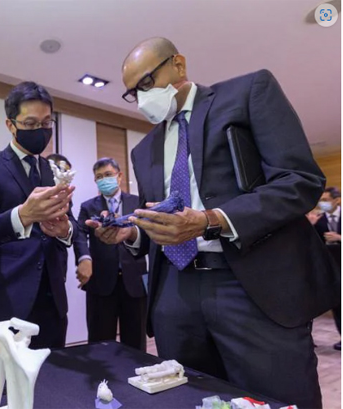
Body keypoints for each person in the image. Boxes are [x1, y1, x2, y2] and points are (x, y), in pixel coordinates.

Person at [87, 37, 338, 408]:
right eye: (132, 93)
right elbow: (160, 216)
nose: (141, 99)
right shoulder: (145, 151)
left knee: (278, 397)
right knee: (192, 397)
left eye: (146, 83)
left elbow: (299, 180)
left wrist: (212, 220)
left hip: (250, 284)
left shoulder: (247, 93)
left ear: (178, 65)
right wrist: (130, 232)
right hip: (176, 292)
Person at [0, 81, 75, 349]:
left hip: (52, 303)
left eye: (47, 122)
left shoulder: (54, 172)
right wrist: (24, 215)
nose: (40, 131)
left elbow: (69, 225)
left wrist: (64, 231)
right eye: (30, 124)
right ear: (10, 125)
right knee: (3, 388)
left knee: (54, 385)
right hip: (5, 302)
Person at [74, 157, 148, 351]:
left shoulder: (138, 203)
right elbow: (79, 235)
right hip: (101, 281)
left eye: (108, 175)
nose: (103, 179)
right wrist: (84, 258)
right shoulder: (88, 207)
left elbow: (148, 235)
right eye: (99, 177)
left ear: (119, 176)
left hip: (135, 280)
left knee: (136, 341)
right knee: (100, 341)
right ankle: (100, 378)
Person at [312, 186, 342, 350]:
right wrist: (311, 227)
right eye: (320, 201)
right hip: (332, 270)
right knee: (337, 305)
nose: (322, 204)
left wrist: (339, 237)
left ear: (336, 200)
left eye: (325, 200)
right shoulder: (319, 220)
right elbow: (312, 246)